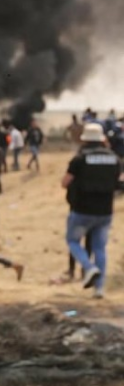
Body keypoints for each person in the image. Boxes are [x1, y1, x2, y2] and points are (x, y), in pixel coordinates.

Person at [61, 123, 122, 298]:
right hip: (105, 212)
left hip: (82, 210)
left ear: (85, 140)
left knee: (72, 241)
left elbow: (65, 182)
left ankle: (89, 267)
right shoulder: (114, 158)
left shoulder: (79, 159)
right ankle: (99, 289)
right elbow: (119, 182)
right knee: (100, 248)